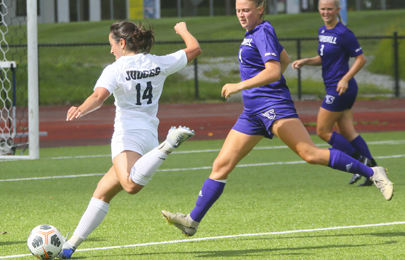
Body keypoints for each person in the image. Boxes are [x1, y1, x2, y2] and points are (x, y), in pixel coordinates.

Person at [161, 0, 393, 238]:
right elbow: (284, 58)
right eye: (238, 10)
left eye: (246, 10)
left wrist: (241, 86)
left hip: (273, 106)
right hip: (252, 113)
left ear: (260, 9)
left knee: (310, 154)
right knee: (221, 165)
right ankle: (192, 221)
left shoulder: (262, 31)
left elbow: (273, 70)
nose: (241, 15)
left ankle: (373, 173)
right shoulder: (255, 32)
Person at [59, 21, 201, 259]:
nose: (111, 50)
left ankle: (167, 146)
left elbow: (99, 96)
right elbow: (194, 49)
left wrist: (80, 109)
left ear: (122, 43)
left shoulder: (116, 68)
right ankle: (69, 246)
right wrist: (183, 30)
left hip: (127, 136)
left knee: (130, 186)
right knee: (103, 190)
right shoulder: (157, 61)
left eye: (111, 45)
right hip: (148, 136)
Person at [291, 0, 374, 186]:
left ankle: (362, 163)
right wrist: (306, 61)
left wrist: (345, 78)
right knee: (347, 131)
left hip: (341, 88)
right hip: (334, 87)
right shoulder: (323, 31)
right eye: (323, 9)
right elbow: (324, 58)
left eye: (330, 9)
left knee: (322, 131)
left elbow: (361, 59)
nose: (326, 12)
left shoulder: (344, 33)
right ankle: (372, 171)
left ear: (338, 10)